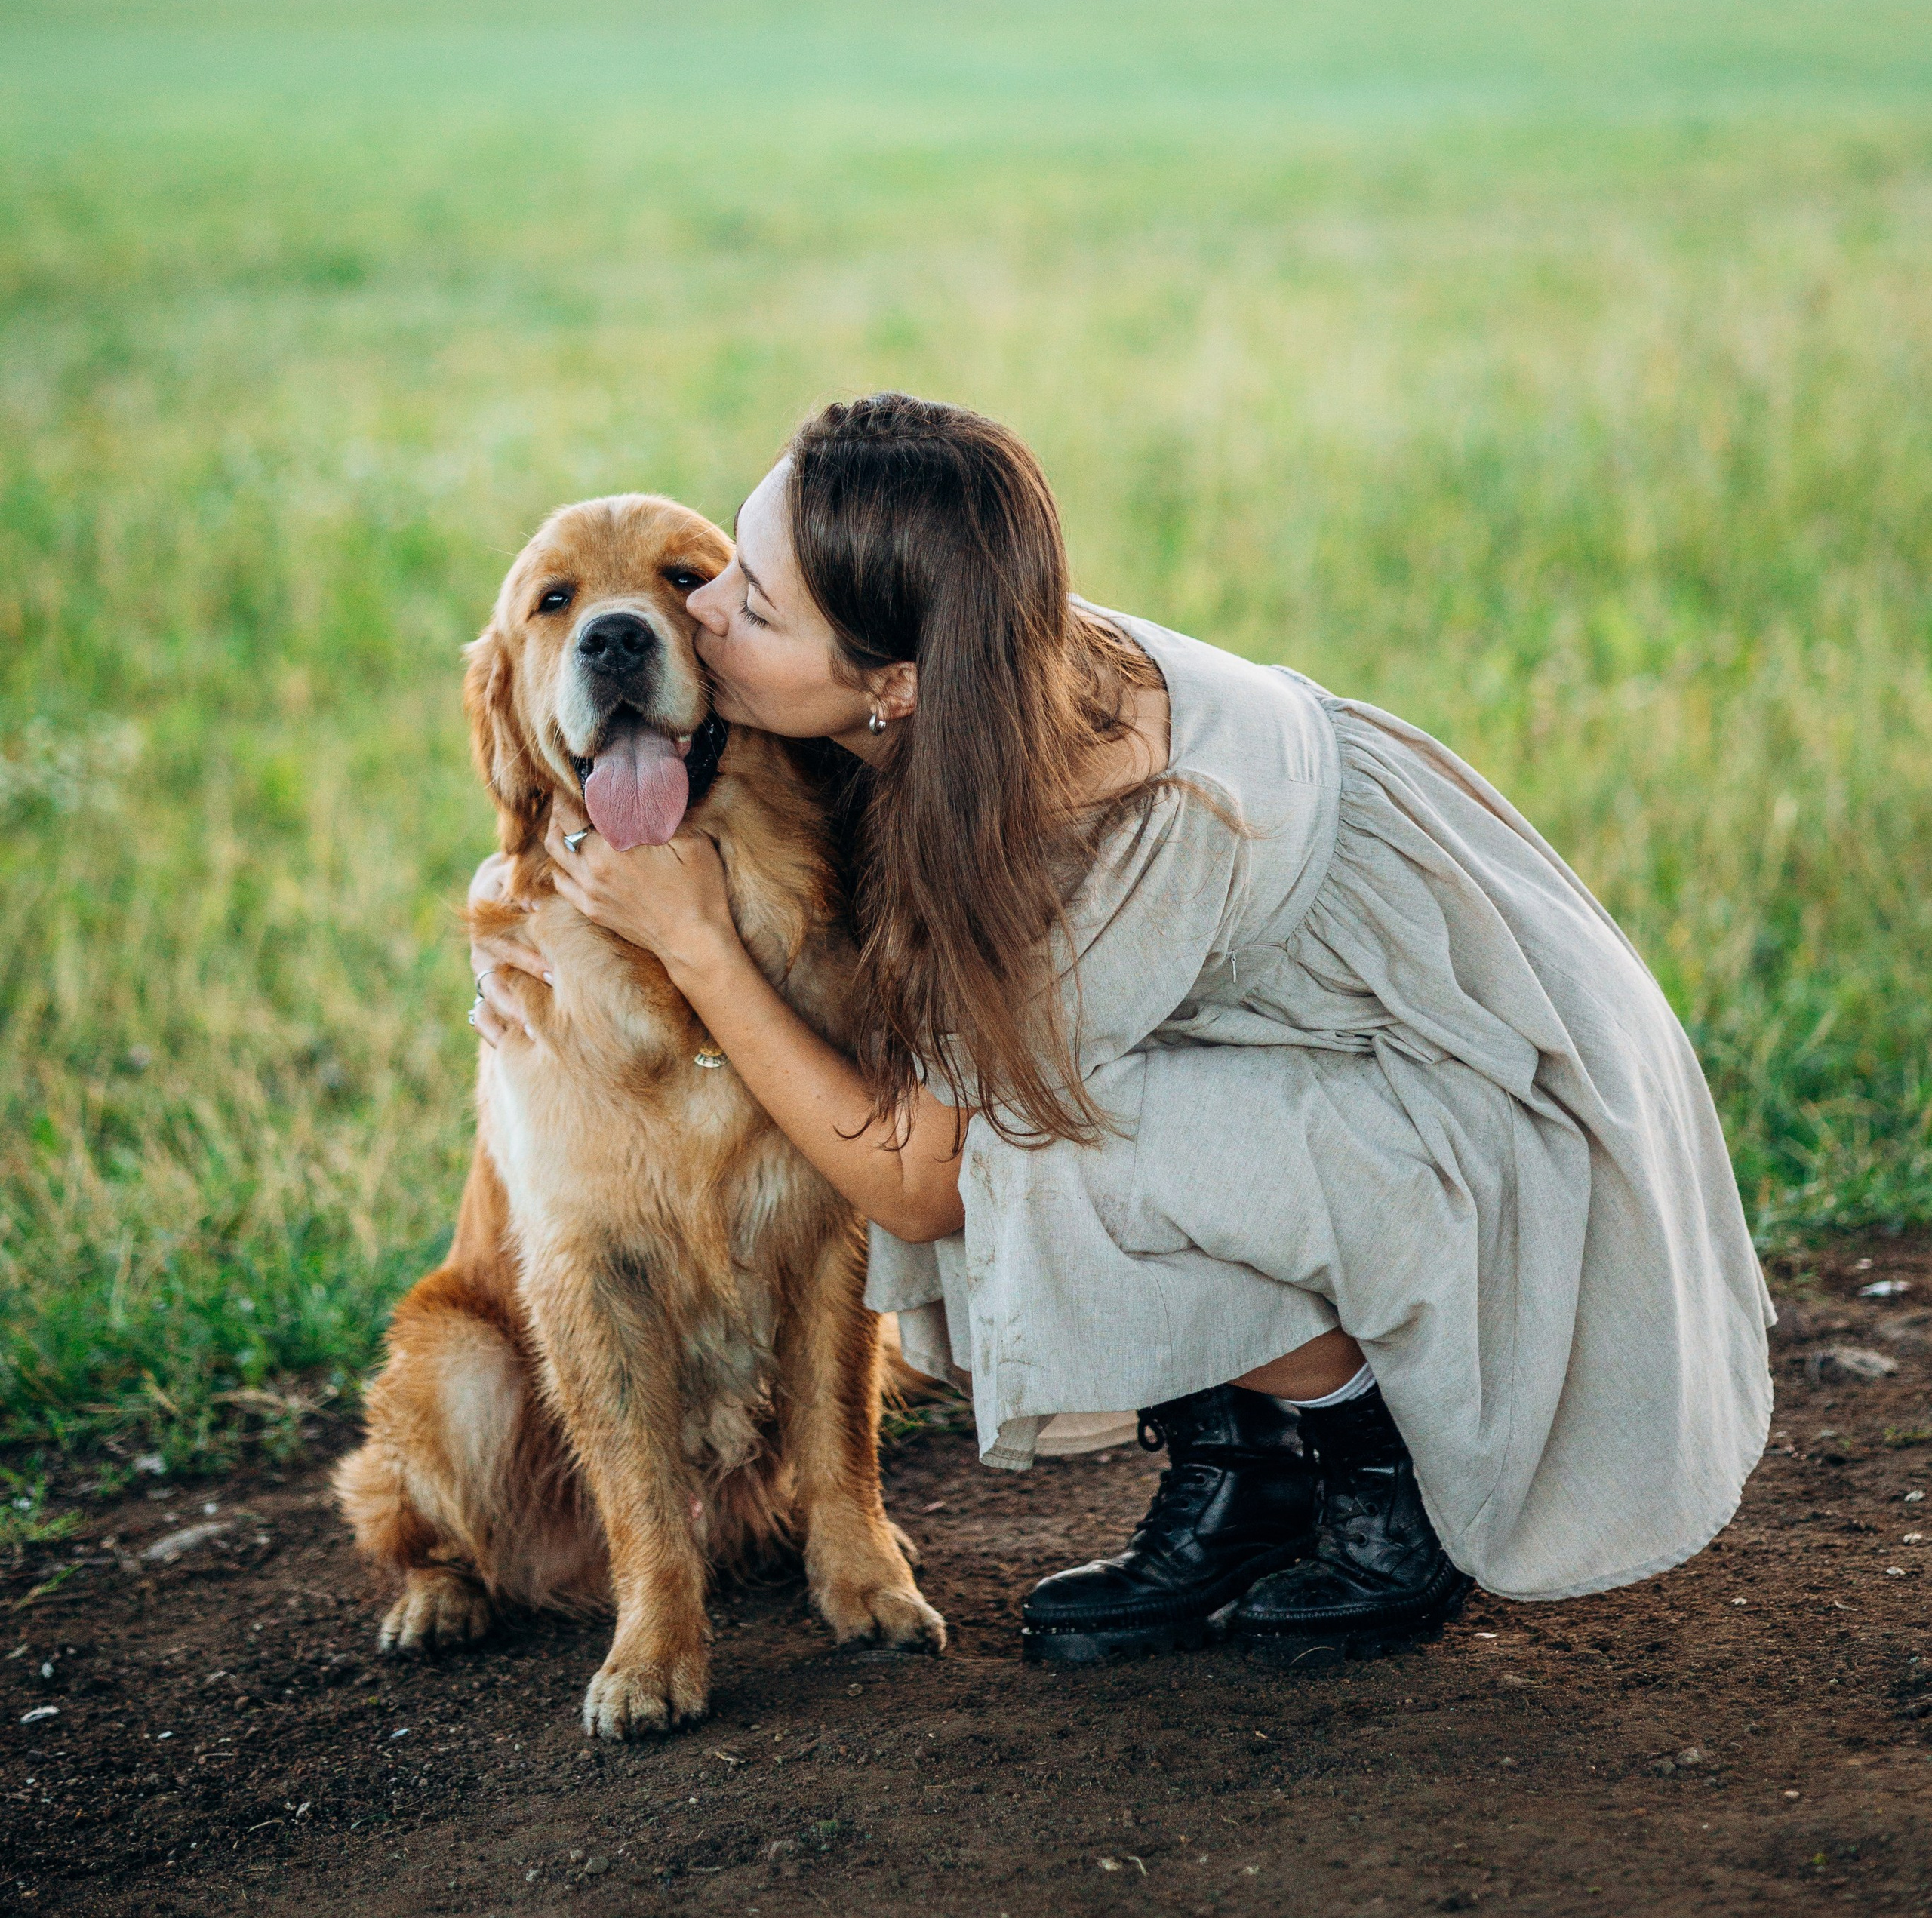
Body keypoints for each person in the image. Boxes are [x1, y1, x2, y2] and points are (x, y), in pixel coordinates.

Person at [469, 392, 1773, 1668]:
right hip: (1311, 1041)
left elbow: (915, 1187)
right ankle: (1244, 1472)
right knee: (1044, 1124)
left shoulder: (1058, 820)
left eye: (743, 600)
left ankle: (1382, 1477)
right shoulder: (953, 679)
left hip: (1469, 1096)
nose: (686, 618)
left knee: (1026, 1155)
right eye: (737, 568)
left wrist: (697, 947)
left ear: (890, 682)